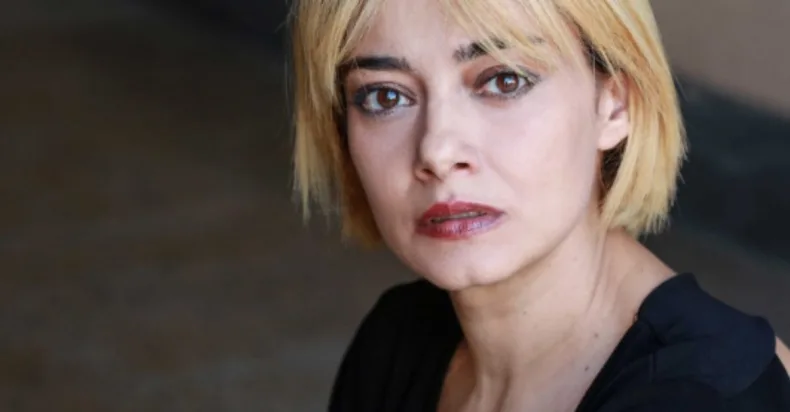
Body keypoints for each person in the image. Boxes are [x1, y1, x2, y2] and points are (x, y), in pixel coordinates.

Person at [288, 0, 790, 410]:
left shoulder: (712, 396)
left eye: (504, 81)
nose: (437, 151)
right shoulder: (396, 343)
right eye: (384, 97)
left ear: (615, 104)